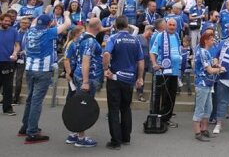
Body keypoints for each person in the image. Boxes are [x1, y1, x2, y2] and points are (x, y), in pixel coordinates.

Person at [19, 13, 71, 143]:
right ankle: (32, 133)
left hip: (30, 69)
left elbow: (35, 22)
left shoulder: (30, 30)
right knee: (36, 102)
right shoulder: (49, 32)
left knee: (30, 100)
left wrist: (46, 11)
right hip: (42, 71)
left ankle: (25, 127)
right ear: (49, 24)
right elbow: (68, 24)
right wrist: (66, 15)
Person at [102, 16, 145, 150]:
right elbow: (141, 61)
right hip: (129, 78)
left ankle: (116, 141)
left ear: (115, 25)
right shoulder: (135, 40)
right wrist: (140, 78)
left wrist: (106, 69)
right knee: (126, 108)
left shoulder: (113, 38)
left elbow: (106, 54)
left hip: (115, 78)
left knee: (114, 109)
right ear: (127, 25)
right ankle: (126, 137)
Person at [66, 18, 103, 147]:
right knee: (83, 106)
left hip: (78, 74)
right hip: (88, 77)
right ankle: (81, 137)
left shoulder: (81, 38)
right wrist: (86, 81)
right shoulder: (90, 41)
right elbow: (86, 60)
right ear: (97, 26)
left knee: (78, 104)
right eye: (100, 24)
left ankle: (75, 133)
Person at [149, 18, 182, 129]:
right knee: (160, 96)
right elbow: (153, 52)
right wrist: (154, 64)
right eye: (170, 25)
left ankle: (166, 119)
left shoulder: (177, 36)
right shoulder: (160, 36)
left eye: (174, 25)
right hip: (162, 71)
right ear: (166, 25)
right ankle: (157, 119)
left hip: (175, 71)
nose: (172, 27)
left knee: (171, 96)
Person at [193, 33, 222, 141]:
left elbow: (210, 67)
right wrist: (220, 69)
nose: (213, 41)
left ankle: (204, 130)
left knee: (208, 108)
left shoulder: (207, 52)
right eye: (211, 39)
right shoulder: (202, 52)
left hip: (208, 83)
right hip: (202, 84)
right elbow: (209, 70)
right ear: (205, 41)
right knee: (200, 109)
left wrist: (216, 66)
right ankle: (197, 132)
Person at [0, 13, 20, 115]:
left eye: (9, 21)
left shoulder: (14, 31)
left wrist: (15, 52)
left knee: (8, 86)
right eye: (5, 21)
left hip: (8, 62)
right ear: (1, 20)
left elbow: (17, 45)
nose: (7, 23)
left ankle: (7, 108)